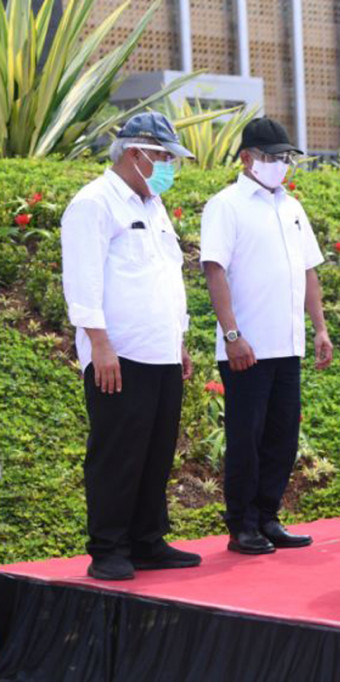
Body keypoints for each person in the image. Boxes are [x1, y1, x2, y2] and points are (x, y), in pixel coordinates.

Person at [60, 112, 201, 581]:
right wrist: (99, 345)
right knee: (117, 452)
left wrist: (179, 339)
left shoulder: (153, 204)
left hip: (160, 349)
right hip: (119, 354)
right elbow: (82, 281)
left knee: (157, 450)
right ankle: (108, 548)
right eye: (163, 158)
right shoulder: (94, 203)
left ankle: (147, 540)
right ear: (137, 153)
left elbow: (166, 277)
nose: (168, 168)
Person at [200, 117, 333, 555]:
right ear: (247, 158)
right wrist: (232, 333)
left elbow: (309, 270)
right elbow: (214, 270)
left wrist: (320, 328)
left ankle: (268, 516)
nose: (282, 165)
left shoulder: (291, 207)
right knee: (246, 438)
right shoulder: (226, 205)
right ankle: (242, 525)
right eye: (274, 158)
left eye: (287, 158)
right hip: (248, 346)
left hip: (287, 344)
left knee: (281, 437)